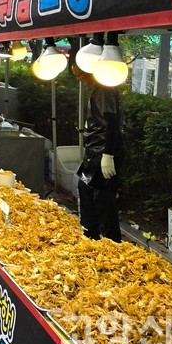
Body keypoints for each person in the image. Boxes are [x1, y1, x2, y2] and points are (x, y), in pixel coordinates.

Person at [74, 64, 126, 243]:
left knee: (103, 199)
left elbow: (112, 122)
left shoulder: (105, 89)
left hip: (103, 151)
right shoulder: (99, 89)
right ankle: (90, 235)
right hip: (95, 151)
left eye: (80, 74)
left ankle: (111, 243)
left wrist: (108, 155)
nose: (79, 79)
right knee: (85, 188)